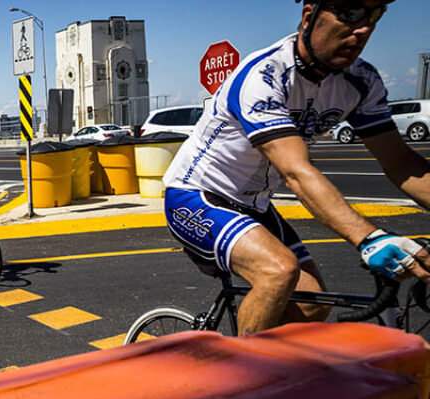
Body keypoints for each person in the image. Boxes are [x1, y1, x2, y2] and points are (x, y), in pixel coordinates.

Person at [162, 0, 430, 335]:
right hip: (197, 195)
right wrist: (369, 238)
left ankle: (271, 363)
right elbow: (296, 172)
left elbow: (402, 163)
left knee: (312, 304)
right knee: (278, 272)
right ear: (309, 16)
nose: (363, 28)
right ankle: (243, 381)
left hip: (254, 205)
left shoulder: (361, 82)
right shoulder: (263, 75)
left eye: (374, 15)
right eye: (350, 12)